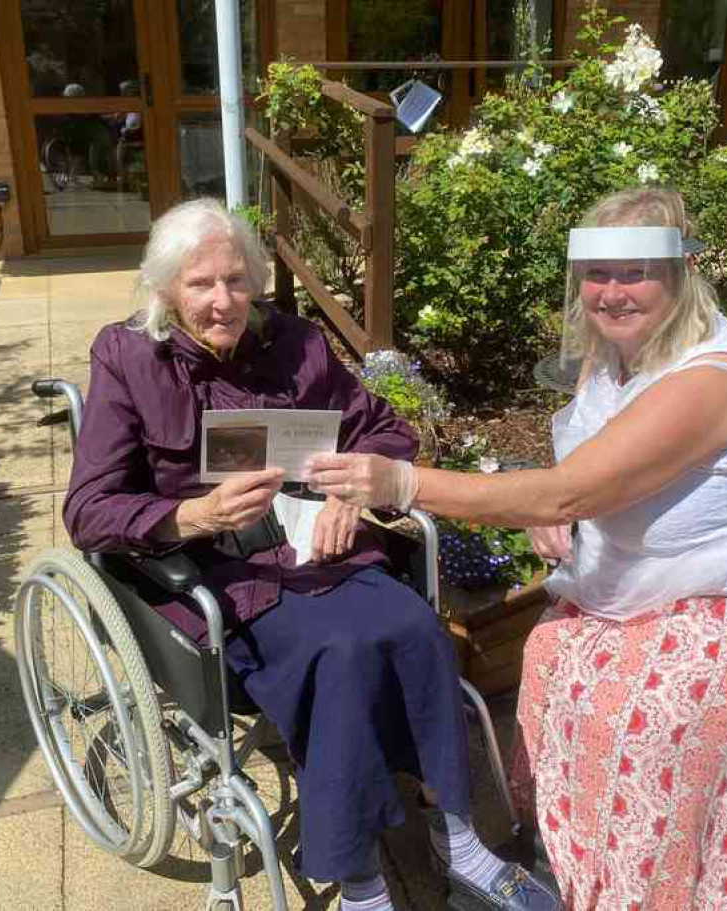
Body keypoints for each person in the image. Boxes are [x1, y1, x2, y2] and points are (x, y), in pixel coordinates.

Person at [304, 188, 727, 911]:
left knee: (643, 724)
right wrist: (567, 514)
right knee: (550, 660)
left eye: (634, 271)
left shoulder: (708, 381)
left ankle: (650, 887)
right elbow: (583, 442)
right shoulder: (611, 349)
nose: (609, 291)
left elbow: (565, 489)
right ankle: (578, 859)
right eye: (595, 273)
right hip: (660, 582)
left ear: (684, 269)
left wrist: (403, 480)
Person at [63, 198, 560, 911]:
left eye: (236, 281)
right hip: (213, 572)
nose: (222, 300)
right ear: (166, 288)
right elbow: (87, 509)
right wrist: (189, 513)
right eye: (201, 284)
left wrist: (349, 497)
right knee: (342, 657)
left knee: (418, 629)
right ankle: (358, 880)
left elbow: (384, 431)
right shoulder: (128, 356)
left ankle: (460, 839)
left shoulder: (296, 342)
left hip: (317, 544)